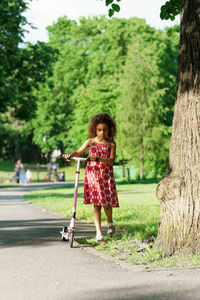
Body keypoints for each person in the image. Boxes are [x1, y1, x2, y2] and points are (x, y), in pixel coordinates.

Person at [64, 113, 119, 242]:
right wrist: (70, 156)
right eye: (99, 130)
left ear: (110, 129)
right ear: (94, 130)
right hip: (93, 176)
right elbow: (78, 152)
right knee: (96, 204)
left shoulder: (111, 143)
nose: (102, 133)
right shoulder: (90, 142)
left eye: (105, 130)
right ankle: (99, 233)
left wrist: (98, 158)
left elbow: (111, 160)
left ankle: (110, 222)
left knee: (106, 204)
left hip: (106, 176)